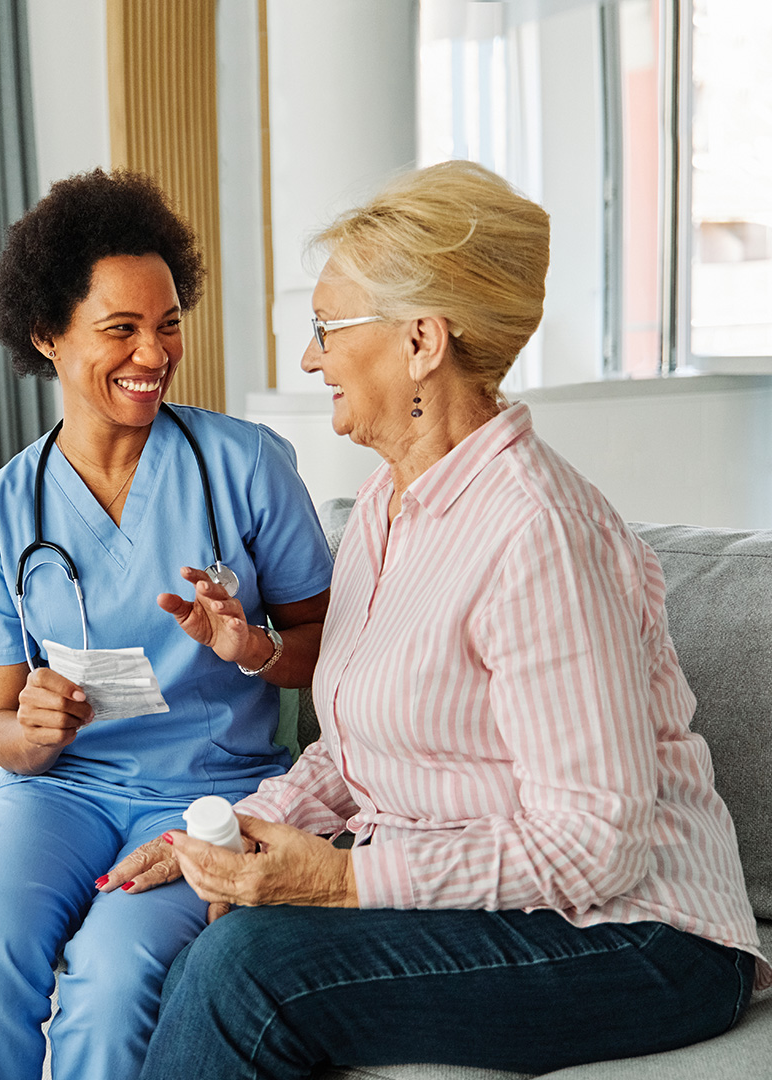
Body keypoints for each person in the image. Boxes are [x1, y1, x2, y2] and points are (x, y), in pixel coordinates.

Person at [128, 160, 771, 1079]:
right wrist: (231, 828)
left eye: (325, 329)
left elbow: (596, 842)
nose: (310, 359)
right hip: (520, 905)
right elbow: (359, 750)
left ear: (422, 339)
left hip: (644, 937)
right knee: (206, 944)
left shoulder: (537, 532)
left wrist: (346, 879)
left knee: (247, 974)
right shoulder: (384, 512)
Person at [0, 168, 333, 1080]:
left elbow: (333, 654)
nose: (154, 352)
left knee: (114, 980)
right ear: (47, 335)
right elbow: (4, 735)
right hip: (56, 796)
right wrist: (30, 732)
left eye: (169, 323)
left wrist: (255, 649)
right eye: (121, 329)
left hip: (205, 790)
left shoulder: (248, 467)